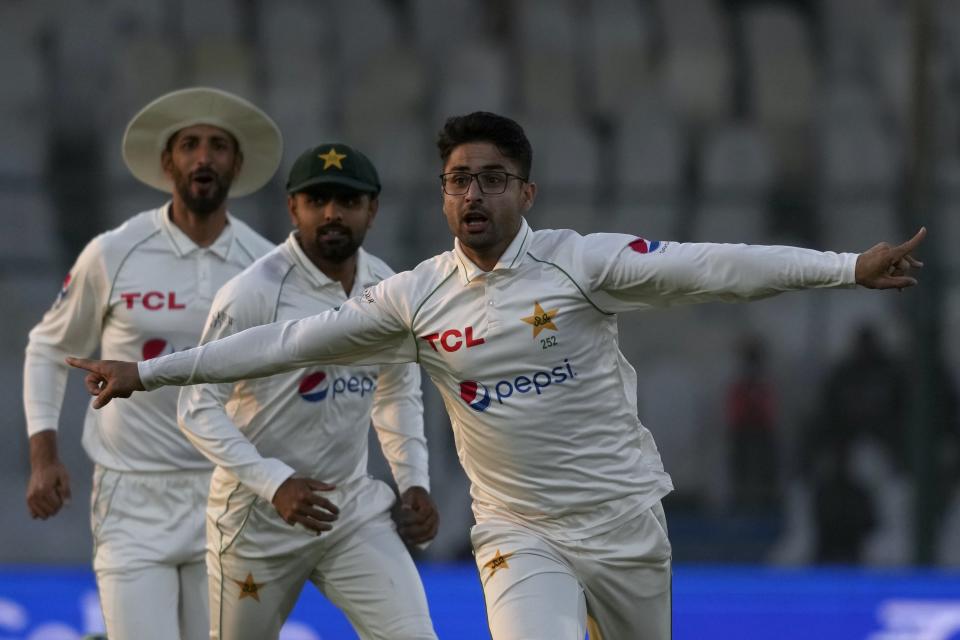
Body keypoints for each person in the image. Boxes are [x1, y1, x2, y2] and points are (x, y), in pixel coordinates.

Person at [68, 111, 926, 640]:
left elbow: (713, 266)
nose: (472, 195)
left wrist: (846, 267)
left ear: (527, 191)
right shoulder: (414, 297)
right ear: (442, 198)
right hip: (518, 533)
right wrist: (147, 375)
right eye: (456, 182)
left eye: (490, 179)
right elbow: (283, 345)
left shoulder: (583, 264)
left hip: (624, 519)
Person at [25, 87, 282, 640]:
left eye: (218, 146)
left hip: (227, 496)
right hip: (131, 496)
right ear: (168, 162)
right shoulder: (115, 251)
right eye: (189, 144)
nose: (203, 158)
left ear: (237, 163)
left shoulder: (265, 265)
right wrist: (44, 455)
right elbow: (48, 347)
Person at [180, 143, 438, 639]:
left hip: (350, 510)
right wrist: (275, 483)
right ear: (292, 206)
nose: (332, 214)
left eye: (348, 201)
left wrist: (413, 483)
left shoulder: (386, 288)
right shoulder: (253, 292)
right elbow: (196, 408)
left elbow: (397, 391)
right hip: (255, 521)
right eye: (317, 200)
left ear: (373, 209)